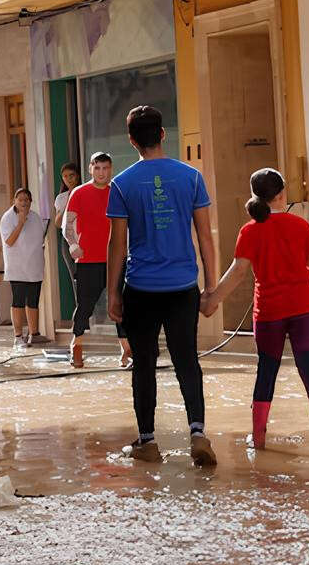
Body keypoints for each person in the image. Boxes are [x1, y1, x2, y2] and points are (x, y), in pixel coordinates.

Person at [107, 105, 219, 468]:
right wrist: (211, 288)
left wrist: (112, 293)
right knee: (187, 359)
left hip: (140, 287)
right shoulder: (190, 177)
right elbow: (205, 236)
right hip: (183, 285)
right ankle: (198, 433)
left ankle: (148, 441)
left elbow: (116, 244)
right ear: (163, 134)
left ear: (132, 140)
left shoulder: (122, 184)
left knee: (144, 364)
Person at [201, 168, 309, 455]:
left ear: (254, 196)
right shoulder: (300, 226)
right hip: (304, 309)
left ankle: (258, 438)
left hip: (269, 312)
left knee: (266, 372)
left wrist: (211, 301)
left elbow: (237, 273)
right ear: (283, 193)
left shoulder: (249, 230)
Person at [62, 152, 132, 370]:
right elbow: (67, 223)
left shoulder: (118, 192)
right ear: (91, 168)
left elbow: (130, 223)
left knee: (120, 305)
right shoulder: (79, 193)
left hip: (116, 259)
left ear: (110, 169)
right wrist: (73, 245)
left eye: (106, 168)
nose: (102, 172)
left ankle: (126, 349)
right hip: (88, 260)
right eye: (98, 168)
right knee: (85, 306)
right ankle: (77, 345)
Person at [0, 187, 47, 350]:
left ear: (31, 201)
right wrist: (20, 222)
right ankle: (18, 336)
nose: (24, 202)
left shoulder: (36, 217)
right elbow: (9, 241)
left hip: (34, 265)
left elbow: (40, 240)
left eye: (27, 199)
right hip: (17, 266)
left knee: (33, 301)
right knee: (18, 301)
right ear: (14, 201)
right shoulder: (7, 217)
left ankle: (35, 333)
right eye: (20, 199)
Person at [53, 161, 82, 297]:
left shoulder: (85, 191)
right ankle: (81, 310)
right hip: (68, 240)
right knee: (75, 276)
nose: (69, 179)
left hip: (85, 237)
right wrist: (70, 199)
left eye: (71, 175)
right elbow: (58, 223)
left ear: (77, 176)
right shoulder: (61, 198)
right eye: (65, 176)